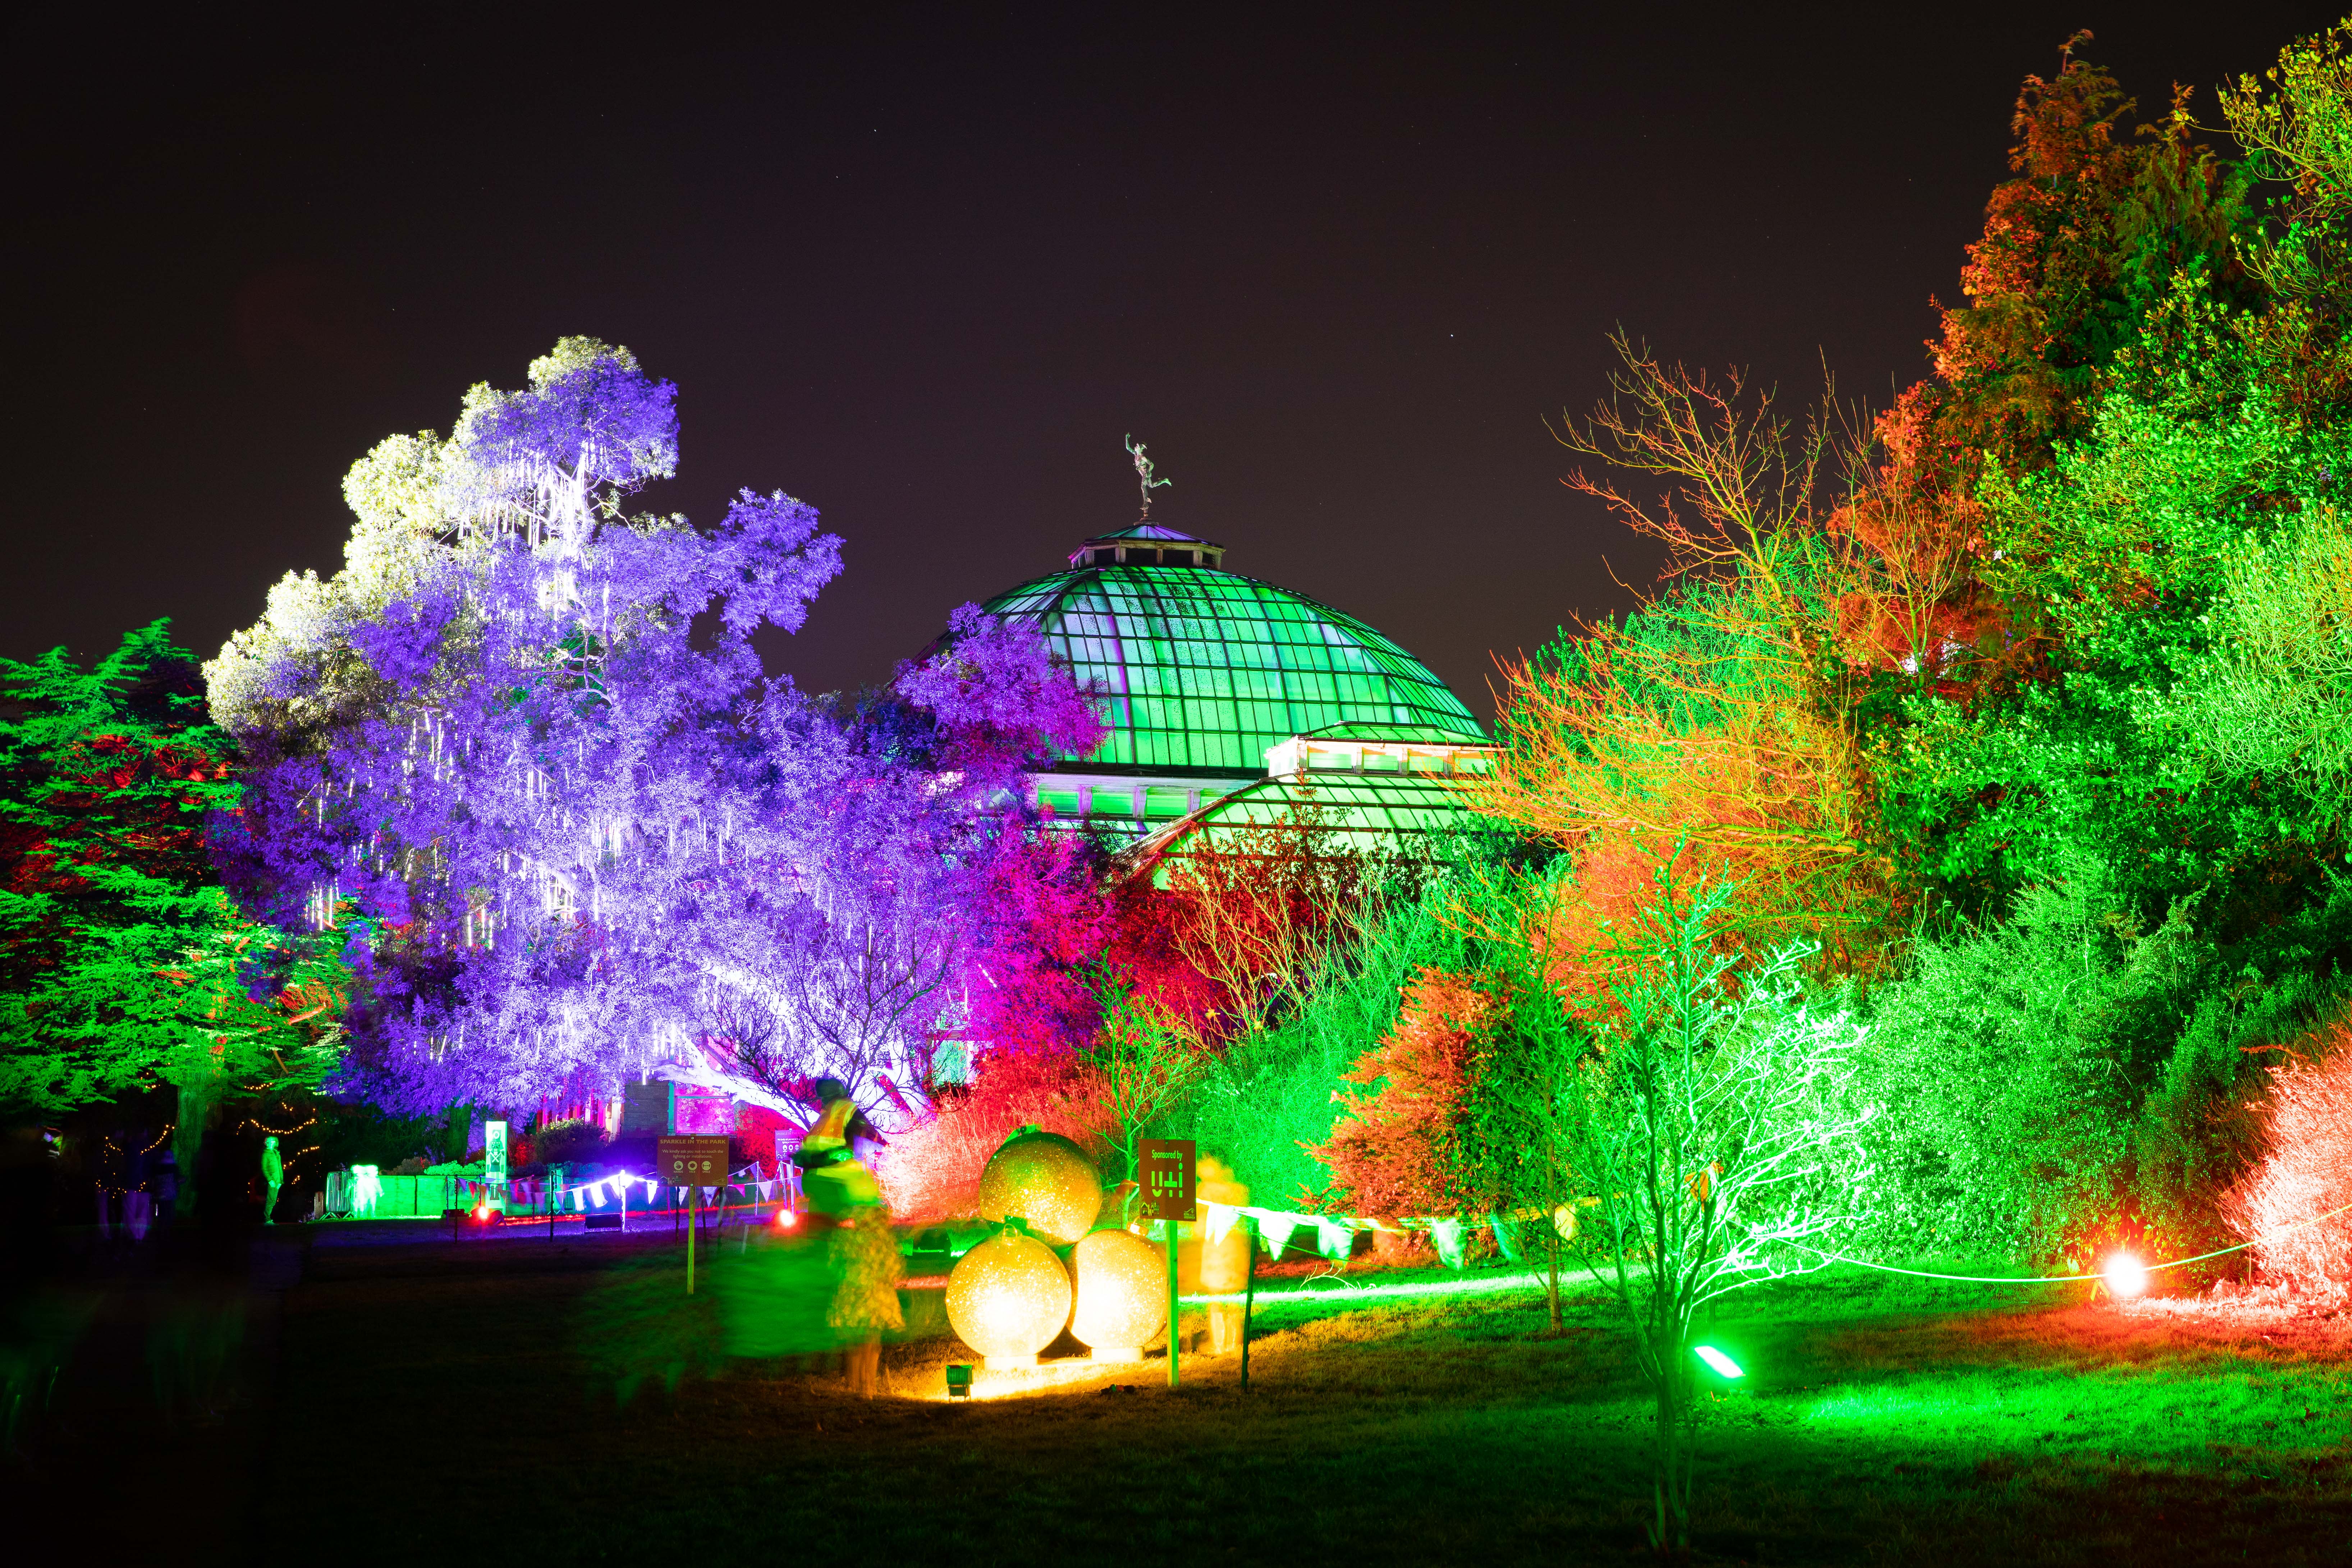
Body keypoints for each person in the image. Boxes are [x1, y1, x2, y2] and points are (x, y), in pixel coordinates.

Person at [261, 1136, 284, 1225]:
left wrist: (281, 1181)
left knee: (273, 1201)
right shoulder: (266, 1154)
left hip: (277, 1181)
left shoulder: (276, 1153)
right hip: (272, 1181)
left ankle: (268, 1219)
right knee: (270, 1200)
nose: (273, 1142)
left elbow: (280, 1168)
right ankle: (267, 1219)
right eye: (271, 1141)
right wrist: (270, 1180)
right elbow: (264, 1168)